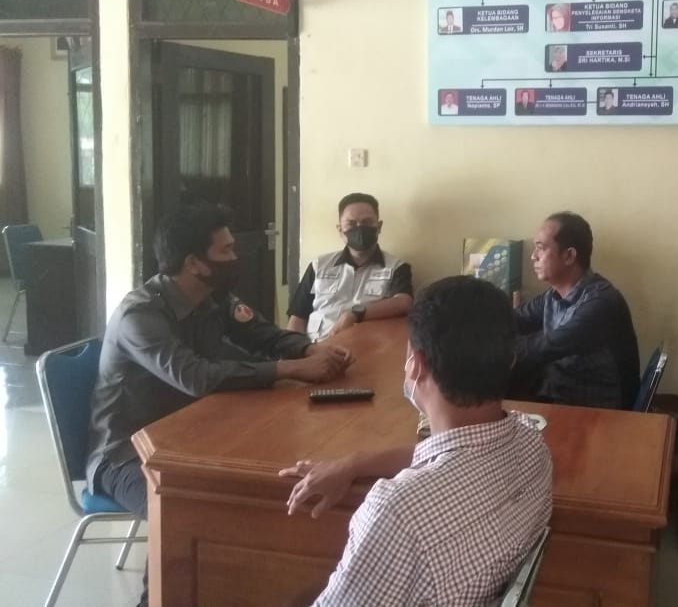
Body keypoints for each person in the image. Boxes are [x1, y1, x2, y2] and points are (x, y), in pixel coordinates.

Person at [86, 203, 351, 607]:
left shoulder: (213, 298)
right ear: (194, 263)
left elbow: (263, 334)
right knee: (184, 510)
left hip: (191, 435)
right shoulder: (140, 315)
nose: (235, 257)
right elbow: (196, 377)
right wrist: (290, 369)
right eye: (226, 250)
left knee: (269, 483)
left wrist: (310, 349)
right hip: (125, 454)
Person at [279, 276, 552, 606]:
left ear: (416, 365)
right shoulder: (532, 445)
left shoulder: (398, 513)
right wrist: (354, 464)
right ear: (510, 359)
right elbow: (458, 451)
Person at [511, 212, 640, 409]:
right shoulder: (552, 296)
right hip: (560, 396)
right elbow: (515, 318)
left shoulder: (602, 302)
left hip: (597, 411)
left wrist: (492, 350)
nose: (533, 256)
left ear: (569, 256)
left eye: (541, 248)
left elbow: (548, 345)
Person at [287, 193, 413, 340]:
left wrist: (355, 314)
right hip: (316, 346)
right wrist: (295, 349)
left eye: (367, 222)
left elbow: (403, 302)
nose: (359, 228)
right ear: (340, 230)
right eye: (351, 224)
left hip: (366, 347)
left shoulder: (396, 267)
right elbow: (297, 317)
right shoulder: (318, 266)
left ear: (379, 227)